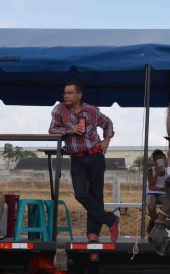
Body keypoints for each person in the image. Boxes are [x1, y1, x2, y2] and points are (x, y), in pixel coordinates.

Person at [49, 82, 119, 243]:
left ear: (79, 95)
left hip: (95, 155)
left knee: (96, 195)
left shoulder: (91, 110)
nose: (65, 96)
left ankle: (93, 233)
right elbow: (52, 129)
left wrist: (106, 140)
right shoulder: (59, 109)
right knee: (81, 195)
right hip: (77, 158)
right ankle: (111, 220)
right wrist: (69, 130)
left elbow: (108, 123)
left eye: (70, 93)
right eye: (64, 93)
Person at [145, 149, 170, 235]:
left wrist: (159, 189)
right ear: (154, 161)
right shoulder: (150, 170)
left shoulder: (168, 170)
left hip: (163, 194)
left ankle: (153, 221)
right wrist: (157, 173)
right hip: (152, 193)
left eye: (160, 158)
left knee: (166, 205)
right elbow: (151, 186)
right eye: (156, 159)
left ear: (164, 159)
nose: (158, 161)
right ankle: (157, 225)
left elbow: (169, 186)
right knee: (151, 205)